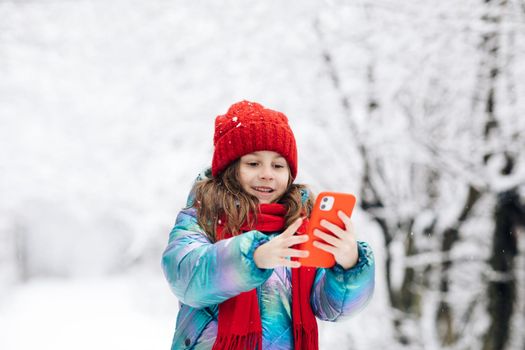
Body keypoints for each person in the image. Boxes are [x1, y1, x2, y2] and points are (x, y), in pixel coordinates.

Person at [162, 100, 375, 350]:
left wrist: (349, 266)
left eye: (278, 165)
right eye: (253, 164)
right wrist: (252, 257)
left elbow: (331, 309)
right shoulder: (202, 217)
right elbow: (186, 278)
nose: (267, 174)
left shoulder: (300, 224)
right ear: (230, 169)